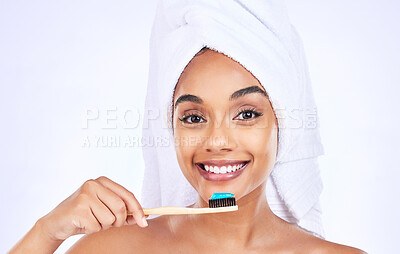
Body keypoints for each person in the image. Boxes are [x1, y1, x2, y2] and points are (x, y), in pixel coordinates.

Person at [9, 47, 366, 253]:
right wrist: (46, 233)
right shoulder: (113, 249)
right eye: (194, 117)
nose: (216, 141)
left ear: (281, 124)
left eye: (246, 114)